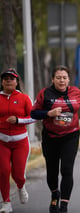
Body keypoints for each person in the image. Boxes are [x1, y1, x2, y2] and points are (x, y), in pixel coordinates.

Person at [31, 65, 80, 213]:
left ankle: (63, 205)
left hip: (71, 135)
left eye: (64, 78)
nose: (61, 81)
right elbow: (33, 113)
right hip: (50, 137)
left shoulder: (75, 92)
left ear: (69, 79)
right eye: (58, 78)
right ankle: (55, 194)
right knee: (52, 171)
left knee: (66, 169)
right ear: (52, 79)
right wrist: (49, 113)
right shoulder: (45, 94)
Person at [0, 68, 35, 213]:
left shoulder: (24, 98)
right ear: (2, 82)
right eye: (5, 78)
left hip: (20, 141)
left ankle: (21, 186)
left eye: (11, 78)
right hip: (2, 141)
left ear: (16, 82)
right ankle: (6, 203)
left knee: (18, 174)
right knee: (3, 171)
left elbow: (34, 117)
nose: (8, 80)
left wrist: (18, 120)